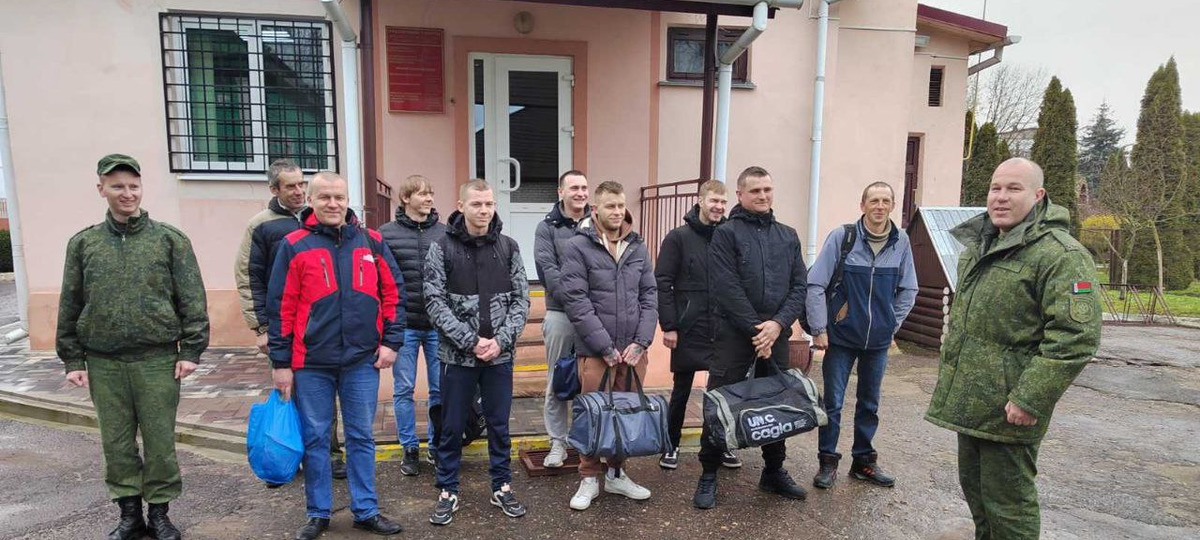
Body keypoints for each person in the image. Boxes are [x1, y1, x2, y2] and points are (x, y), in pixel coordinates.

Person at [926, 158, 1100, 540]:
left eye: (1013, 189)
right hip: (972, 401)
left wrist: (1029, 398)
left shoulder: (1060, 256)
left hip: (1011, 409)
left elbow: (1075, 336)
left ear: (1038, 196)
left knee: (1009, 509)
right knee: (979, 498)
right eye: (995, 188)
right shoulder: (980, 245)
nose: (1001, 197)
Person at [57, 153, 210, 540]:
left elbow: (192, 298)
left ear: (142, 188)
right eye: (117, 187)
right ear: (102, 190)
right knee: (117, 443)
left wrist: (191, 351)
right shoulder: (84, 243)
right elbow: (70, 302)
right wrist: (72, 358)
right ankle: (129, 514)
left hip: (156, 360)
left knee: (159, 442)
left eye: (133, 186)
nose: (127, 193)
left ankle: (159, 513)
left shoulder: (169, 240)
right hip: (104, 362)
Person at [267, 172, 405, 539]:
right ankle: (318, 513)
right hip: (311, 363)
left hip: (361, 361)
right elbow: (280, 307)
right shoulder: (293, 245)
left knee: (361, 437)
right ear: (310, 200)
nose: (333, 204)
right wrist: (281, 363)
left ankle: (366, 510)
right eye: (325, 197)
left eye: (339, 197)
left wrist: (391, 342)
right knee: (315, 439)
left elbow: (394, 293)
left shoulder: (371, 241)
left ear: (348, 200)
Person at [694, 166, 809, 510]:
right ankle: (709, 473)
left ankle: (773, 471)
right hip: (734, 337)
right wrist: (758, 330)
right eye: (755, 190)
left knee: (778, 403)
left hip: (776, 336)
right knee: (720, 403)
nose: (762, 196)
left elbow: (799, 286)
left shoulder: (787, 236)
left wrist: (777, 325)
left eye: (767, 190)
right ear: (740, 195)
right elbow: (726, 287)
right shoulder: (726, 234)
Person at [424, 179, 530, 526]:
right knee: (452, 426)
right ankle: (447, 489)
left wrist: (500, 341)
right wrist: (470, 341)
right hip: (458, 358)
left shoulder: (509, 247)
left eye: (489, 204)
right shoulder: (442, 248)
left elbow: (521, 300)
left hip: (500, 355)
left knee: (499, 425)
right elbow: (434, 303)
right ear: (461, 206)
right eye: (476, 204)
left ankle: (501, 486)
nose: (484, 210)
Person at [234, 160, 347, 484]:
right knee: (286, 390)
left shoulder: (321, 221)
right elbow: (249, 276)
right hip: (282, 325)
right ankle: (284, 453)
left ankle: (329, 454)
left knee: (323, 395)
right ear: (274, 189)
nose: (298, 191)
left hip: (318, 329)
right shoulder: (262, 225)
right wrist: (261, 328)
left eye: (301, 185)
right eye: (290, 186)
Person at [804, 181, 917, 489]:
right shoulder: (843, 238)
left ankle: (863, 462)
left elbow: (908, 288)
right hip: (840, 338)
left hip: (878, 342)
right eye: (874, 200)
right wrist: (819, 329)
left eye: (885, 201)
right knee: (833, 403)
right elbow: (815, 284)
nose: (879, 206)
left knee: (869, 403)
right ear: (862, 205)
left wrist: (890, 325)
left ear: (892, 205)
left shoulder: (901, 241)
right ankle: (827, 462)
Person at [558, 180, 658, 511]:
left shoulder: (637, 246)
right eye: (610, 206)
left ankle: (616, 474)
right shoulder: (577, 246)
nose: (617, 212)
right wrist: (604, 346)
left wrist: (641, 342)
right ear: (595, 209)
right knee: (592, 414)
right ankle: (589, 477)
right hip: (595, 353)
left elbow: (649, 296)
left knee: (625, 416)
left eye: (621, 205)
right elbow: (576, 300)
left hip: (632, 354)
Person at [654, 179, 742, 470]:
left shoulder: (731, 236)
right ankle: (671, 444)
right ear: (700, 200)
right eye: (714, 200)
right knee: (681, 390)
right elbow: (663, 282)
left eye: (723, 202)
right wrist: (669, 325)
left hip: (724, 328)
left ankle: (722, 445)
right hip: (689, 326)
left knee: (723, 392)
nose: (719, 207)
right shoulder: (678, 237)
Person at [379, 174, 447, 476]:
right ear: (406, 198)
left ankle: (436, 444)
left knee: (439, 389)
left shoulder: (444, 233)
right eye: (422, 193)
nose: (429, 198)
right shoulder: (386, 234)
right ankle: (409, 447)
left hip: (437, 325)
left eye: (431, 192)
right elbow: (382, 281)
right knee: (403, 388)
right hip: (403, 324)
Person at [533, 170, 591, 468]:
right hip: (560, 313)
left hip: (594, 316)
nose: (580, 193)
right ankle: (557, 442)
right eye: (574, 188)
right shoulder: (547, 228)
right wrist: (576, 302)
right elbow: (548, 270)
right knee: (557, 381)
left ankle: (583, 440)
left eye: (584, 187)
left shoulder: (598, 223)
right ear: (560, 192)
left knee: (589, 380)